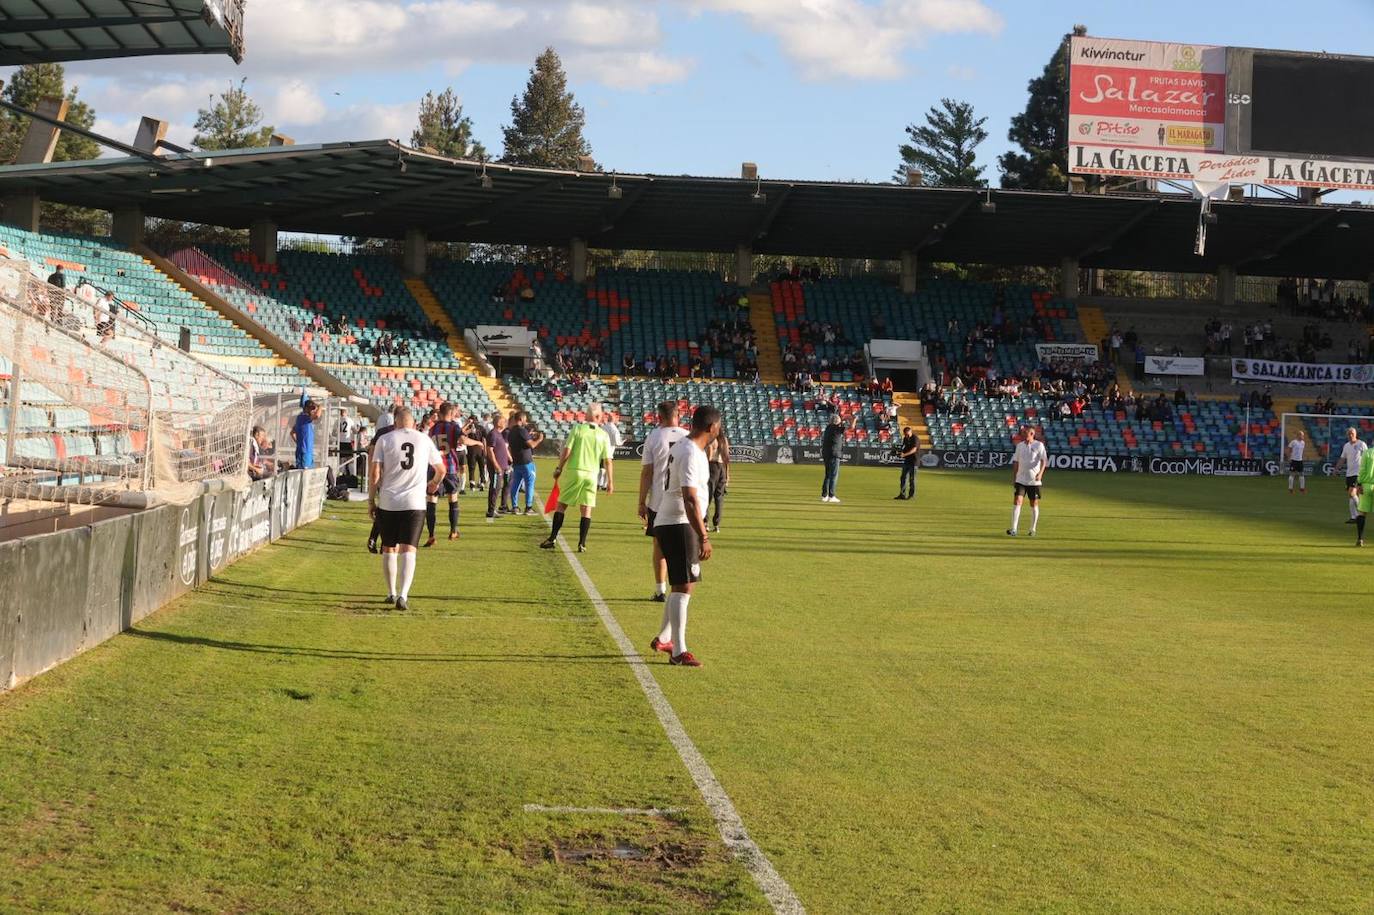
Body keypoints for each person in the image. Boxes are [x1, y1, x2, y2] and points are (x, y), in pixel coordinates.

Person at [648, 404, 722, 668]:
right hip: (679, 522)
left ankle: (665, 638)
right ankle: (679, 651)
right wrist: (703, 535)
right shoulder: (690, 451)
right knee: (685, 585)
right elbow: (690, 498)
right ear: (712, 427)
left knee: (681, 583)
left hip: (670, 520)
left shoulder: (684, 446)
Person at [369, 407, 445, 610]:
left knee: (389, 547)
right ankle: (403, 595)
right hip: (415, 503)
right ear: (412, 423)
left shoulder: (384, 439)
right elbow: (441, 470)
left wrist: (370, 500)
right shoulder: (424, 439)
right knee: (409, 549)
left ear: (395, 423)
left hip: (388, 501)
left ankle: (391, 592)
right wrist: (434, 484)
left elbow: (375, 474)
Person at [540, 402, 613, 553]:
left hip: (575, 471)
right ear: (598, 417)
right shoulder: (603, 435)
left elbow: (567, 450)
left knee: (561, 506)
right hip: (592, 475)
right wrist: (610, 481)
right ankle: (582, 543)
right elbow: (607, 460)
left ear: (586, 415)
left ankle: (552, 538)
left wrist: (559, 467)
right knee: (586, 510)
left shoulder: (578, 429)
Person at [639, 401, 689, 602]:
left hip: (659, 501)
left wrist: (641, 502)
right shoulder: (688, 437)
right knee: (682, 547)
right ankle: (680, 591)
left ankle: (660, 591)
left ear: (659, 417)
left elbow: (647, 472)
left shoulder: (654, 436)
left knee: (659, 546)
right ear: (679, 416)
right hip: (684, 501)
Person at [426, 403, 482, 545]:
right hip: (449, 467)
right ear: (451, 413)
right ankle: (453, 531)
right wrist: (477, 442)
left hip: (435, 467)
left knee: (432, 500)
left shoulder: (433, 429)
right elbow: (463, 440)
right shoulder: (453, 427)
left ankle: (431, 535)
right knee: (453, 498)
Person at [1007, 426, 1047, 537]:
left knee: (1033, 503)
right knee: (1017, 501)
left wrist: (1040, 474)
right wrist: (1015, 477)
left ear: (1032, 434)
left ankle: (1032, 529)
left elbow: (1044, 461)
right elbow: (1016, 461)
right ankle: (1014, 529)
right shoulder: (1019, 446)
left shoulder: (1039, 445)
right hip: (1021, 479)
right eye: (1023, 433)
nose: (1024, 435)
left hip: (1034, 481)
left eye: (1026, 433)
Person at [507, 412, 544, 514]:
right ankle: (528, 507)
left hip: (517, 461)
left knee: (515, 484)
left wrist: (530, 436)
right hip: (526, 462)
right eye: (525, 419)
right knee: (529, 484)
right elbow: (531, 445)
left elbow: (513, 446)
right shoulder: (521, 430)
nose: (526, 421)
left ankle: (515, 506)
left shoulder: (511, 432)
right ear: (521, 419)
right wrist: (539, 439)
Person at [820, 412, 856, 503]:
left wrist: (842, 419)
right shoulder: (837, 429)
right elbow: (851, 428)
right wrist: (854, 419)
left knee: (827, 475)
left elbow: (837, 423)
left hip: (826, 453)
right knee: (834, 475)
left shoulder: (828, 428)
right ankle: (832, 496)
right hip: (834, 454)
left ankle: (824, 495)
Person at [1335, 427, 1368, 524]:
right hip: (1349, 474)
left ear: (1355, 434)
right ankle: (1354, 517)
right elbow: (1342, 459)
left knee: (1352, 493)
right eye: (1349, 433)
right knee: (1351, 496)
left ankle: (1360, 513)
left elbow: (1367, 457)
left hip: (1358, 473)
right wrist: (1336, 468)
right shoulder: (1346, 446)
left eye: (1352, 433)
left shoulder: (1361, 444)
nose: (1350, 435)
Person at [485, 413, 513, 522]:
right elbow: (490, 450)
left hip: (502, 466)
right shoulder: (493, 434)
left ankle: (493, 509)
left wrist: (509, 459)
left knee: (498, 487)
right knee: (495, 488)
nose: (505, 423)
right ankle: (491, 511)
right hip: (496, 467)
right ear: (499, 423)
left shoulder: (499, 434)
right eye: (504, 421)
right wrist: (496, 464)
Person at [705, 429, 730, 533]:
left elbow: (709, 455)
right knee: (719, 498)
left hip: (712, 467)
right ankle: (717, 524)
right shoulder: (724, 440)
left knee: (707, 496)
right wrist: (728, 476)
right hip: (722, 469)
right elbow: (726, 458)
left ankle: (705, 522)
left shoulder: (712, 439)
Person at [291, 398, 319, 469]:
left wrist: (299, 443)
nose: (312, 411)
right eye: (311, 409)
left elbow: (292, 433)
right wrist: (320, 407)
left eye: (313, 409)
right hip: (305, 451)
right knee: (304, 472)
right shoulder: (303, 417)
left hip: (306, 450)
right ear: (306, 409)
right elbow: (317, 416)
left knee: (308, 472)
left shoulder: (301, 419)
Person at [895, 426, 920, 500]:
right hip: (907, 461)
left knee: (912, 479)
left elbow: (914, 450)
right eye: (905, 434)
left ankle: (911, 496)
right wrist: (899, 452)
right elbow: (904, 448)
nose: (906, 436)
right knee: (903, 478)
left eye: (907, 434)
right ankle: (902, 494)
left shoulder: (915, 438)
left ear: (910, 432)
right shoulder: (905, 438)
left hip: (914, 461)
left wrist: (904, 454)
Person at [1356, 442, 1374, 547]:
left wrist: (1359, 483)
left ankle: (1360, 539)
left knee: (1362, 513)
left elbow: (1362, 470)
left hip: (1366, 485)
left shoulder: (1367, 453)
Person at [600, 413, 624, 490]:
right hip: (609, 450)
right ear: (614, 419)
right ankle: (605, 484)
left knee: (601, 467)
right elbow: (617, 442)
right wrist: (622, 442)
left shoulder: (603, 427)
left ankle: (599, 483)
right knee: (607, 468)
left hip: (601, 449)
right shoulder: (614, 429)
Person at [1287, 430, 1307, 495]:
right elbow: (1289, 450)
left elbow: (1302, 451)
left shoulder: (1303, 442)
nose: (1303, 436)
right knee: (1292, 474)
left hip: (1300, 461)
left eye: (1303, 435)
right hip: (1294, 460)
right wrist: (1289, 457)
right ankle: (1290, 489)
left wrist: (1303, 457)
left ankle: (1302, 489)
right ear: (1298, 435)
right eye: (1302, 435)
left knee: (1301, 474)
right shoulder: (1293, 442)